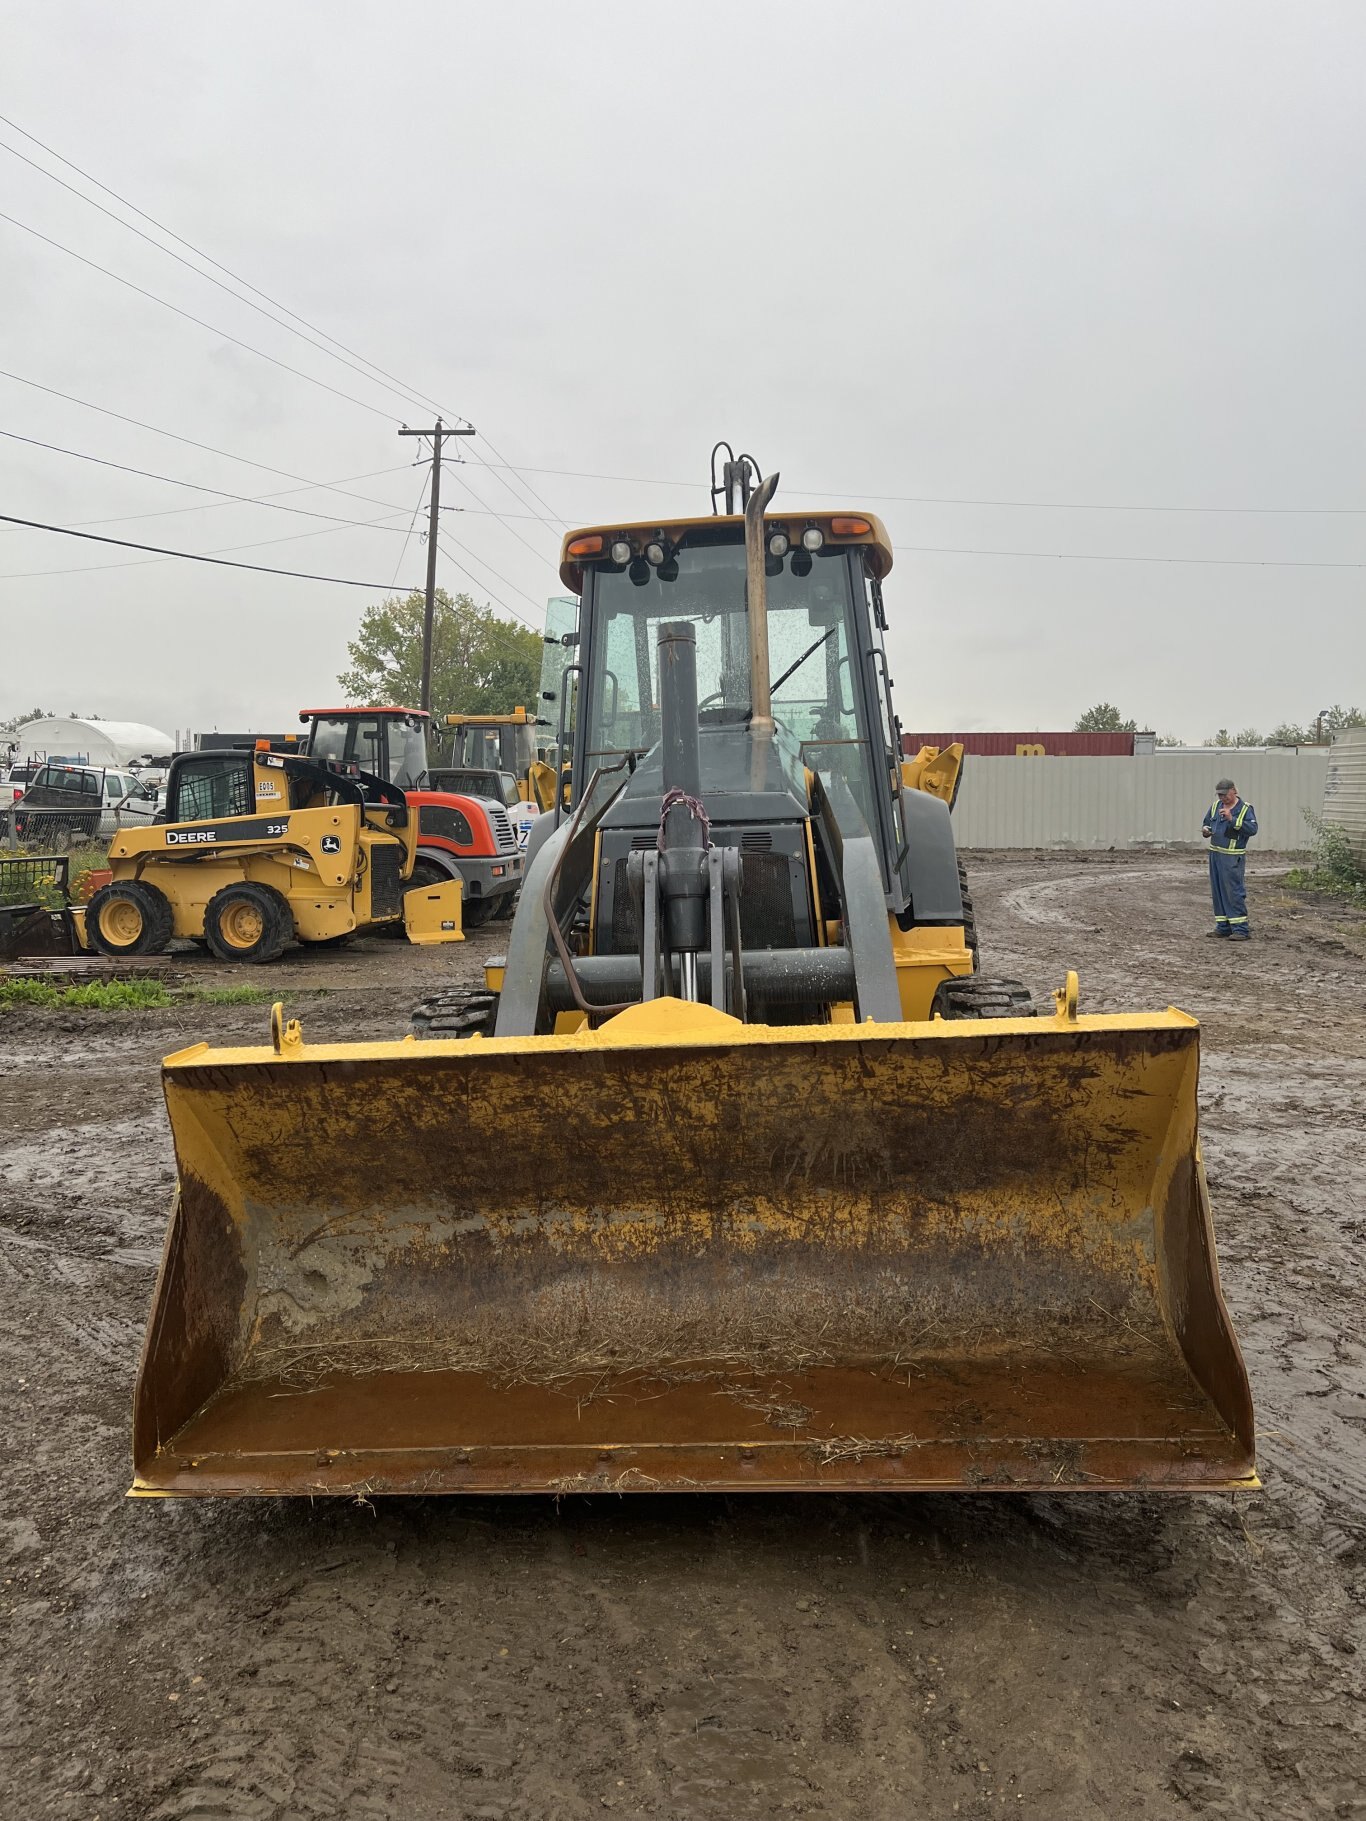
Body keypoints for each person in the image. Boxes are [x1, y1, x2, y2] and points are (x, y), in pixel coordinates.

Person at [1201, 777, 1258, 939]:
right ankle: (1223, 927)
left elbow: (1252, 829)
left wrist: (1232, 819)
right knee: (1218, 891)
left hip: (1232, 857)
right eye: (1220, 795)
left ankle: (1240, 929)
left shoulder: (1245, 809)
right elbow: (1207, 823)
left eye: (1225, 794)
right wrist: (1206, 830)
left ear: (1234, 791)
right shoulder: (1215, 807)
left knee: (1233, 892)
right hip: (1215, 854)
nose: (1222, 798)